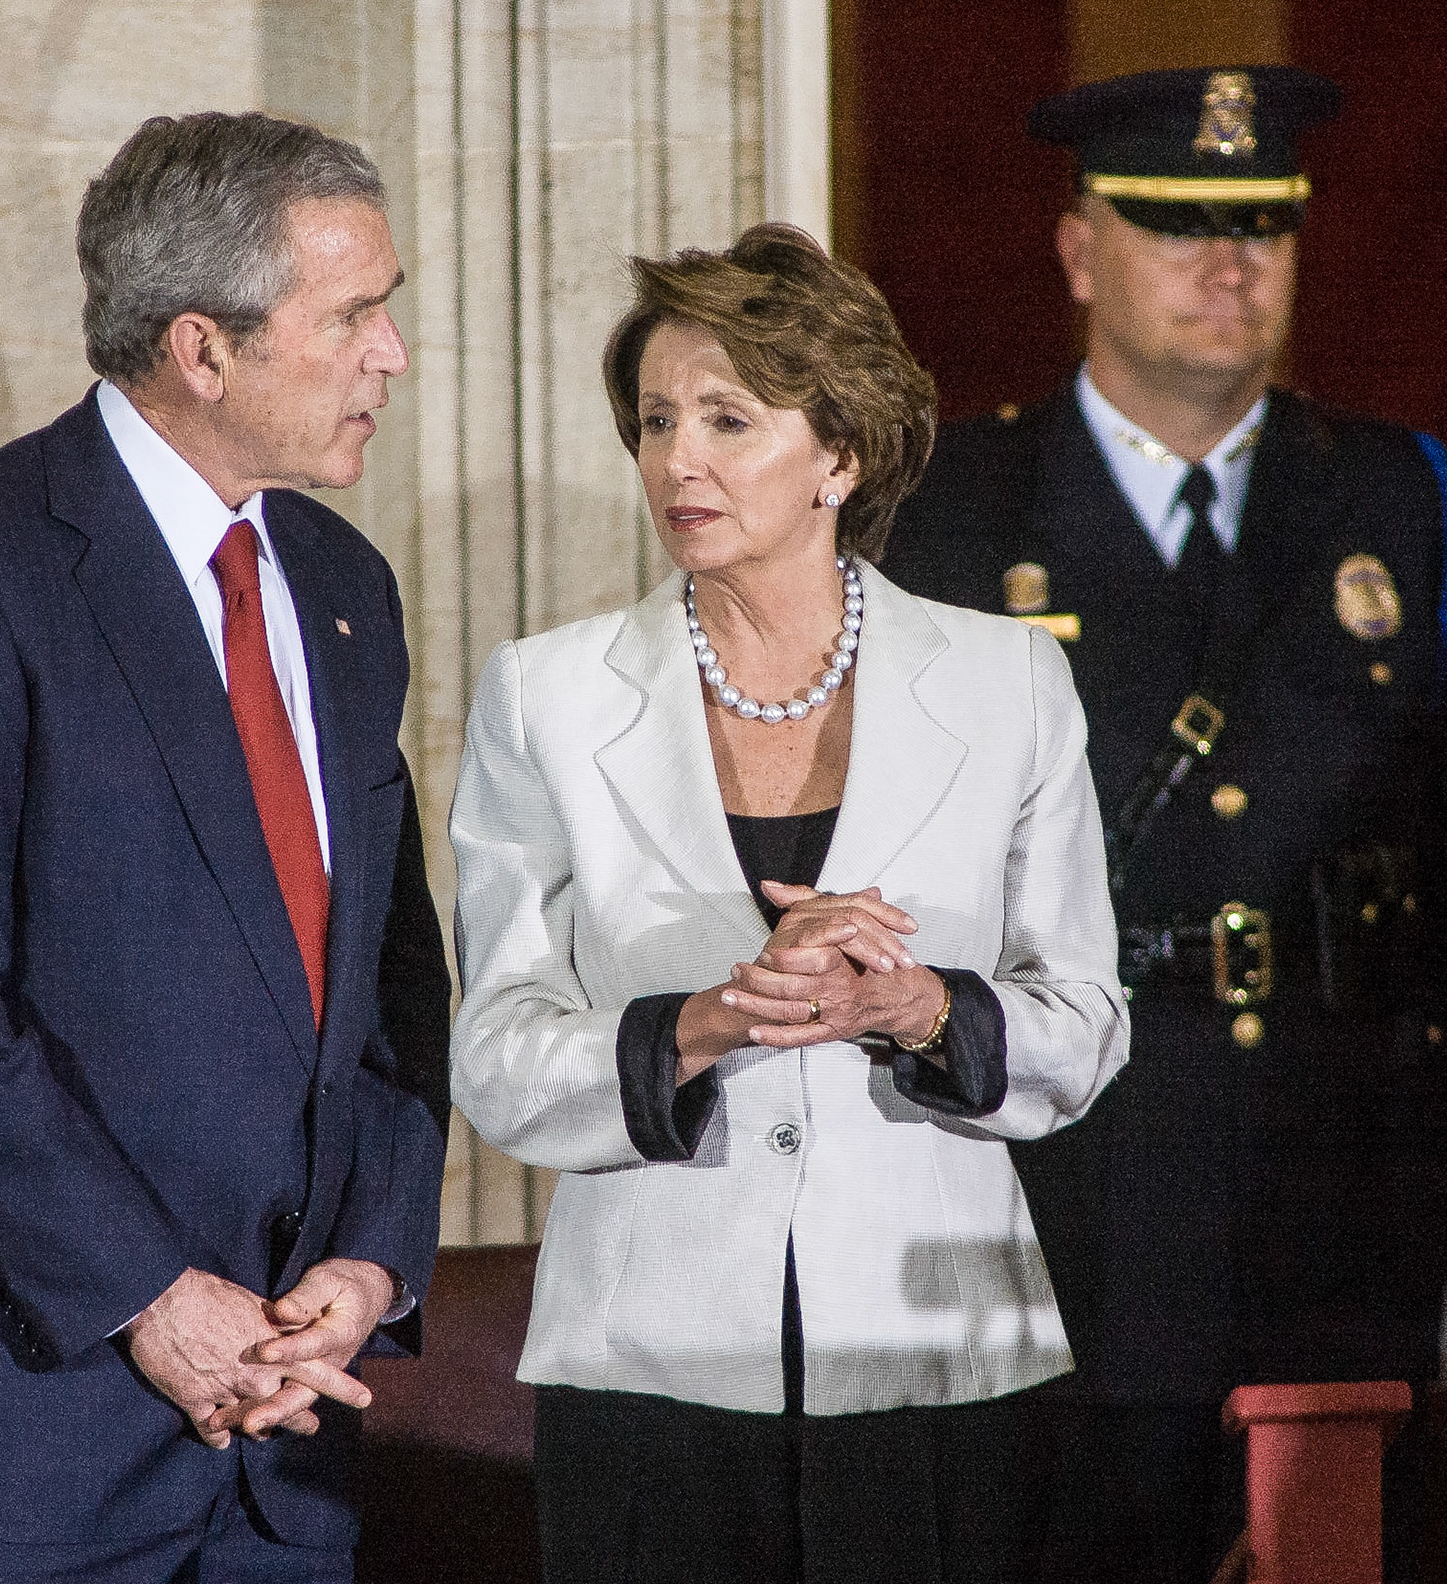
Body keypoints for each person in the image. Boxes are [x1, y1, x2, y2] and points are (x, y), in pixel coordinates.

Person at [883, 66, 1447, 1582]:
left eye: (1262, 222)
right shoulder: (955, 515)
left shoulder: (1411, 502)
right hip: (1062, 1193)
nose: (1228, 260)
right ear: (1076, 253)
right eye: (1177, 223)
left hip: (1346, 1188)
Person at [0, 111, 451, 1584]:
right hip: (25, 1445)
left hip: (288, 1442)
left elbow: (389, 981)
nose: (392, 354)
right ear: (202, 349)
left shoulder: (344, 585)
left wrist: (372, 1258)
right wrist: (151, 1297)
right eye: (353, 315)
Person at [447, 223, 1129, 1583]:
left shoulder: (1006, 685)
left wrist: (924, 1005)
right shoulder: (550, 696)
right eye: (653, 421)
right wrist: (706, 1020)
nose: (676, 460)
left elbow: (1087, 1024)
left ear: (840, 454)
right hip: (649, 1370)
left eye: (727, 419)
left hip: (938, 1360)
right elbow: (501, 1056)